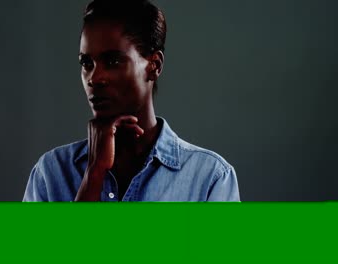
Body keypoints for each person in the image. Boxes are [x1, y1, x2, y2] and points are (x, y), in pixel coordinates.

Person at [23, 0, 240, 202]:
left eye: (113, 61)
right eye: (87, 63)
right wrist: (94, 173)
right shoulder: (51, 173)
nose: (95, 78)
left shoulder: (209, 178)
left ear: (154, 65)